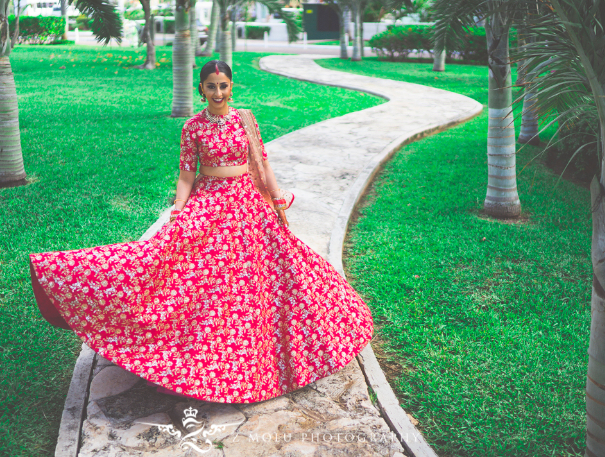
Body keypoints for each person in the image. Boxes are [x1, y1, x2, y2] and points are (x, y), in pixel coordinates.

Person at [29, 60, 374, 404]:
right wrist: (179, 207)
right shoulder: (193, 127)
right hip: (210, 200)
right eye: (212, 86)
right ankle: (79, 282)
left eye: (224, 86)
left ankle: (276, 354)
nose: (218, 93)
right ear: (201, 89)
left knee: (276, 271)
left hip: (247, 202)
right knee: (179, 267)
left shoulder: (246, 121)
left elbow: (263, 164)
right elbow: (186, 175)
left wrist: (278, 198)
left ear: (231, 87)